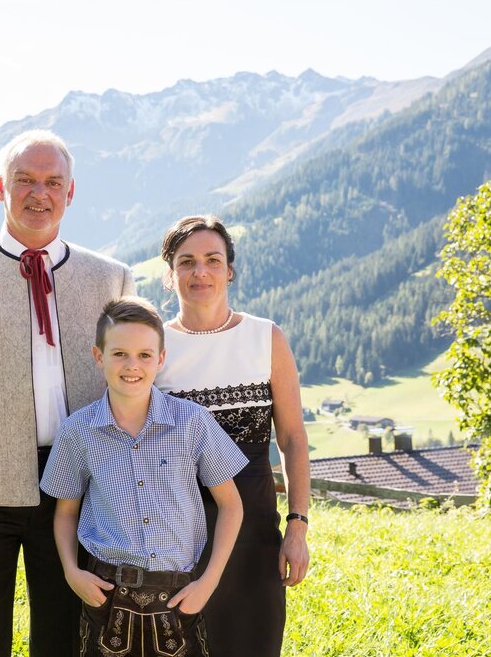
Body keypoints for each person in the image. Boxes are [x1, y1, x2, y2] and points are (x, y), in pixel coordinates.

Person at [0, 130, 135, 656]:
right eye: (25, 180)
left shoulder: (111, 278)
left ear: (70, 192)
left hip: (80, 492)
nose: (40, 193)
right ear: (0, 186)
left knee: (64, 641)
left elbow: (131, 390)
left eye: (53, 182)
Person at [41, 297, 247, 657]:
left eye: (144, 355)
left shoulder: (193, 423)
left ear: (160, 359)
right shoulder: (77, 431)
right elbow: (65, 512)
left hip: (180, 598)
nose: (132, 365)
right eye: (119, 354)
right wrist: (72, 572)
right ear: (98, 356)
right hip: (106, 597)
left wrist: (209, 582)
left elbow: (231, 505)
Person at [155, 215, 311, 656]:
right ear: (170, 275)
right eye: (186, 262)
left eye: (212, 260)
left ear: (229, 270)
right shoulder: (154, 346)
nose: (200, 272)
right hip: (175, 537)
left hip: (255, 529)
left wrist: (297, 526)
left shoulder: (265, 337)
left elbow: (293, 438)